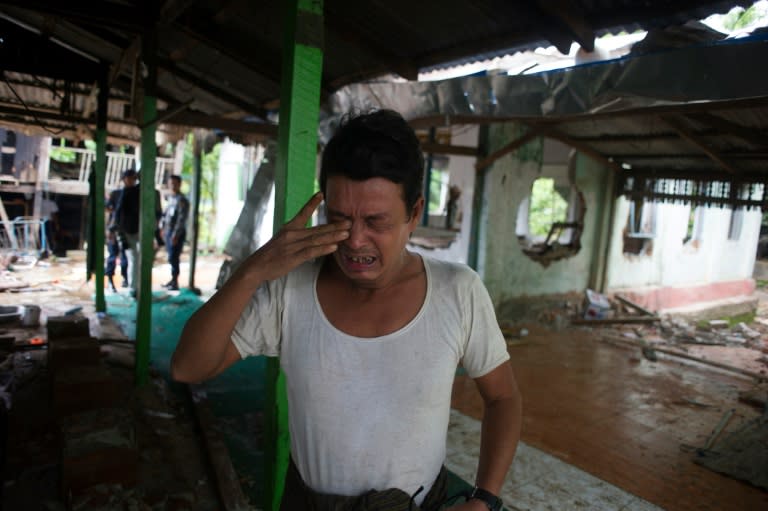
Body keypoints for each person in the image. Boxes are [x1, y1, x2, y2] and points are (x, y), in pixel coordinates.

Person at [171, 110, 522, 511]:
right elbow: (188, 367)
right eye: (339, 218)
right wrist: (253, 271)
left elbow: (503, 399)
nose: (355, 241)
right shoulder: (291, 289)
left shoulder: (458, 293)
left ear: (414, 213)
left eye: (376, 221)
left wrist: (485, 498)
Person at [161, 175, 189, 290]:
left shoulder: (182, 200)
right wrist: (162, 228)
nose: (172, 185)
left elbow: (181, 219)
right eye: (170, 183)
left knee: (174, 257)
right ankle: (172, 280)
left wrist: (175, 235)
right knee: (171, 257)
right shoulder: (171, 198)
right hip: (168, 231)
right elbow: (166, 215)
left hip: (176, 234)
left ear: (179, 184)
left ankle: (175, 282)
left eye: (174, 183)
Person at [105, 181, 129, 292]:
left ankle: (125, 278)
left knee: (125, 256)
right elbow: (109, 208)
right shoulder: (116, 194)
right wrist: (111, 229)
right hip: (114, 230)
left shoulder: (132, 194)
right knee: (112, 256)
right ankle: (110, 280)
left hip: (125, 230)